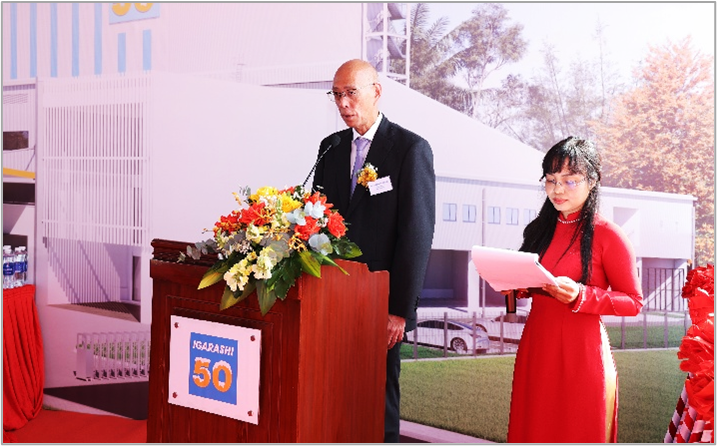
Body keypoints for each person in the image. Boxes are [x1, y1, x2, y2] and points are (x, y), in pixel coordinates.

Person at [312, 59, 436, 443]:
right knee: (333, 394)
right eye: (336, 95)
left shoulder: (409, 149)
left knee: (378, 398)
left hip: (379, 303)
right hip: (331, 298)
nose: (343, 103)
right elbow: (317, 219)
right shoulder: (331, 148)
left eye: (351, 92)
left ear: (376, 91)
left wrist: (400, 310)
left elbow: (416, 234)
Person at [505, 136, 643, 443]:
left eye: (569, 181)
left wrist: (582, 295)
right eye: (551, 180)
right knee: (534, 430)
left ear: (592, 181)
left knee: (579, 430)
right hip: (537, 348)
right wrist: (517, 287)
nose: (557, 189)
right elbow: (534, 279)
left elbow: (634, 302)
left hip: (583, 353)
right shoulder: (539, 230)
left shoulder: (608, 235)